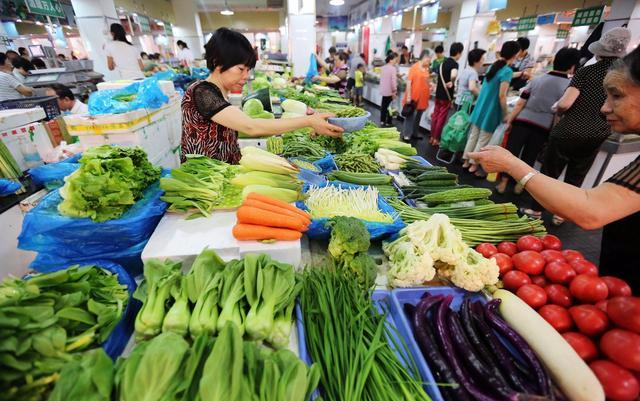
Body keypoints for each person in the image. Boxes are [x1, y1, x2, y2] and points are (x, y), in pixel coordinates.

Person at [469, 46, 640, 292]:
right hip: (623, 290)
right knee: (575, 176)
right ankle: (552, 213)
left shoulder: (582, 74)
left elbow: (593, 209)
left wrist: (512, 165)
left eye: (617, 95)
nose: (604, 108)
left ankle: (540, 211)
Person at [181, 27, 342, 164]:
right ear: (217, 62)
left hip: (223, 178)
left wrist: (305, 125)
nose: (246, 76)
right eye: (240, 69)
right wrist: (308, 121)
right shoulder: (202, 92)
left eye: (248, 70)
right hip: (203, 185)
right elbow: (251, 126)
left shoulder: (218, 92)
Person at [523, 27, 631, 224]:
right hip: (596, 134)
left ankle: (536, 210)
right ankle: (561, 215)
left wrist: (558, 110)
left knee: (549, 174)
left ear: (599, 51)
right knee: (576, 176)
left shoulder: (586, 72)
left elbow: (565, 103)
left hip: (568, 131)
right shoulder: (625, 77)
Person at [496, 47, 581, 196]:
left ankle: (503, 183)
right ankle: (520, 185)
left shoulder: (537, 79)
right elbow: (560, 113)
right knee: (530, 156)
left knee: (512, 153)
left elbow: (520, 103)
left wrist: (510, 120)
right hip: (542, 127)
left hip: (522, 121)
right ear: (572, 66)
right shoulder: (568, 87)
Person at [462, 41, 520, 175]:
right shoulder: (507, 71)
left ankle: (466, 161)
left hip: (480, 107)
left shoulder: (494, 66)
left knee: (473, 136)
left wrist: (520, 74)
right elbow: (502, 96)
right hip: (491, 111)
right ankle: (473, 165)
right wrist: (506, 114)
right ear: (514, 55)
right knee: (483, 139)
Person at [430, 42, 464, 146]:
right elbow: (453, 74)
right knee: (441, 117)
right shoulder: (454, 64)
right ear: (458, 53)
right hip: (446, 96)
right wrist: (452, 81)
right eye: (461, 53)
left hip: (438, 94)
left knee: (435, 115)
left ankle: (431, 137)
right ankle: (436, 139)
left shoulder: (442, 63)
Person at [402, 49, 432, 141]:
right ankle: (406, 134)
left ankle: (415, 133)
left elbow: (427, 80)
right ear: (424, 57)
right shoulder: (414, 67)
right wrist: (409, 96)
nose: (429, 61)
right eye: (429, 59)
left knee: (418, 116)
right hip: (414, 97)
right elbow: (408, 82)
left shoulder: (427, 68)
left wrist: (431, 85)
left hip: (423, 97)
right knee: (411, 116)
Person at [379, 52, 398, 127]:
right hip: (390, 91)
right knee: (390, 107)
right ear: (390, 60)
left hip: (383, 91)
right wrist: (395, 90)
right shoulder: (393, 69)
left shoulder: (383, 68)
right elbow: (393, 81)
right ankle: (388, 122)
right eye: (395, 60)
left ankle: (382, 121)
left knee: (383, 107)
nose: (396, 61)